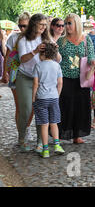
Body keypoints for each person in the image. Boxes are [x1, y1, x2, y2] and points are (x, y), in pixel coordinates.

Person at [57, 13, 95, 144]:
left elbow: (90, 55)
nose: (66, 26)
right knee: (65, 106)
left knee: (80, 107)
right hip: (64, 78)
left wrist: (93, 62)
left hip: (82, 78)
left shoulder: (86, 39)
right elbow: (56, 59)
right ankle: (62, 133)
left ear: (77, 24)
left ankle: (77, 135)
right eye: (65, 23)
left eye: (69, 23)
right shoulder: (60, 41)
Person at [15, 13, 51, 152]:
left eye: (45, 25)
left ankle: (40, 141)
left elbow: (56, 58)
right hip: (25, 77)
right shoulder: (24, 39)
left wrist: (55, 52)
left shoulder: (46, 38)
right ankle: (22, 138)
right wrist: (35, 51)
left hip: (41, 79)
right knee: (26, 110)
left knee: (40, 110)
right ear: (34, 24)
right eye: (40, 24)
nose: (43, 27)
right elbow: (22, 59)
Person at [31, 41, 65, 158]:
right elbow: (60, 83)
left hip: (41, 98)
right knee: (54, 123)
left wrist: (33, 97)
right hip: (54, 97)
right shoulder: (57, 66)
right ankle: (57, 145)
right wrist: (57, 94)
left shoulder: (38, 66)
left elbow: (35, 83)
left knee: (44, 124)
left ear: (43, 54)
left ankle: (45, 150)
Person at [2, 12, 31, 141]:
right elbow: (7, 56)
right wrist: (4, 73)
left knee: (32, 106)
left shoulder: (35, 37)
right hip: (15, 73)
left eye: (25, 26)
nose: (22, 28)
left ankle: (26, 127)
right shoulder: (14, 37)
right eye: (20, 25)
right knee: (19, 105)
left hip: (31, 74)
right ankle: (21, 133)